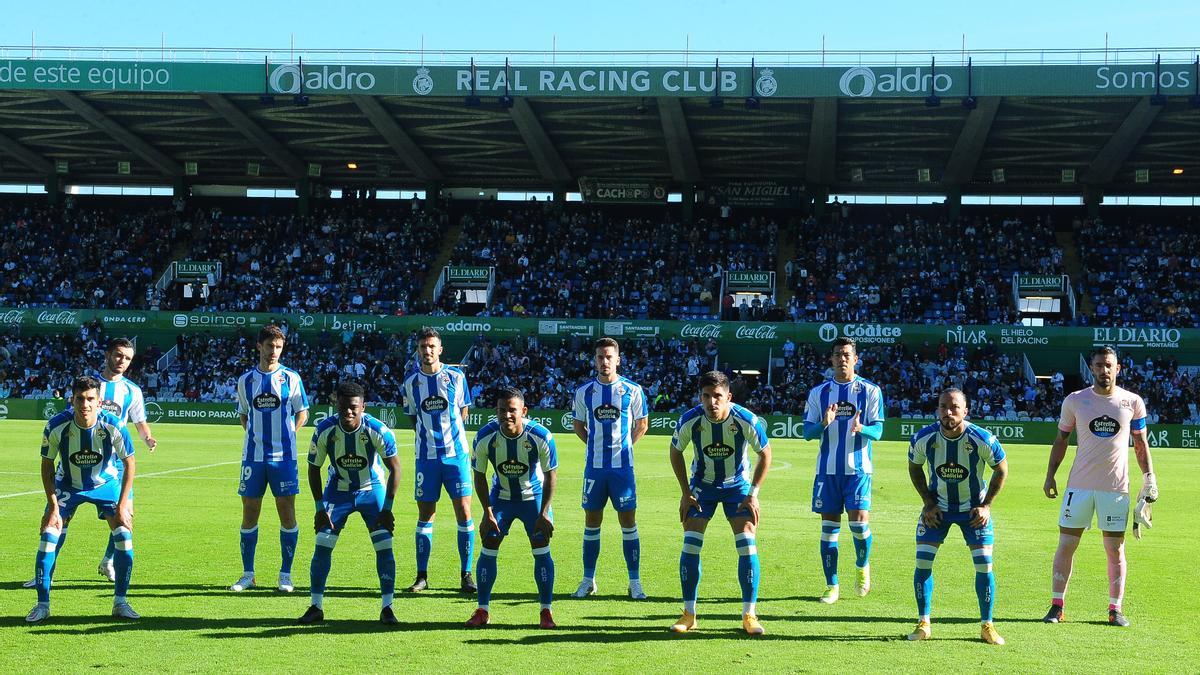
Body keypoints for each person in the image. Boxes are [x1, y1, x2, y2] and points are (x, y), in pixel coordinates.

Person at [23, 337, 158, 588]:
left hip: (114, 464)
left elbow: (139, 423)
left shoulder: (132, 391)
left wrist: (148, 438)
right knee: (59, 519)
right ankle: (45, 574)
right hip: (78, 458)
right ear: (108, 354)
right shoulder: (89, 385)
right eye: (118, 355)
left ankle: (108, 560)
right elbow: (70, 418)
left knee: (126, 515)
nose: (122, 362)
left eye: (127, 358)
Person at [1042, 346, 1157, 627]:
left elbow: (1140, 443)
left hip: (1115, 489)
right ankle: (1057, 607)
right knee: (1066, 544)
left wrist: (1149, 477)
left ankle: (1115, 609)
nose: (1104, 370)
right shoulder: (1075, 401)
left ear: (1118, 369)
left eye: (1109, 365)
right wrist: (1050, 475)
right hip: (1078, 487)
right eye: (1099, 365)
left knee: (1115, 550)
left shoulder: (1132, 402)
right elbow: (1061, 440)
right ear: (1091, 368)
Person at [27, 376, 138, 623]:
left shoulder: (114, 425)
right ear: (72, 400)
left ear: (99, 402)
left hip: (105, 484)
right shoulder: (57, 425)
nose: (85, 404)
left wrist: (122, 505)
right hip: (68, 484)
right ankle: (42, 604)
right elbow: (47, 466)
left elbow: (129, 462)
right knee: (48, 536)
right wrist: (53, 507)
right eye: (80, 399)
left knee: (123, 535)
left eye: (90, 399)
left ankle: (120, 602)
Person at [668, 371, 771, 635]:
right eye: (706, 396)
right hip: (702, 488)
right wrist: (684, 491)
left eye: (717, 396)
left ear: (728, 397)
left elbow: (765, 454)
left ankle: (749, 614)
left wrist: (753, 493)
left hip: (737, 488)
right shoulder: (690, 420)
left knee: (747, 544)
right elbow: (675, 451)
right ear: (700, 397)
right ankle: (689, 614)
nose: (711, 402)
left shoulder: (745, 419)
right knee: (690, 544)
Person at [905, 388, 1009, 645]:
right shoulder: (924, 438)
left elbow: (1001, 469)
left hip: (973, 511)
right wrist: (928, 502)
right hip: (937, 509)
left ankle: (987, 626)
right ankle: (923, 623)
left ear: (966, 411)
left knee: (984, 565)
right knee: (923, 563)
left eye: (954, 407)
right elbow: (914, 467)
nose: (948, 412)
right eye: (943, 406)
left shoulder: (981, 438)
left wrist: (986, 506)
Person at [298, 381, 401, 625]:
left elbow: (395, 469)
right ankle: (316, 606)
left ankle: (387, 607)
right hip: (338, 490)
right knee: (322, 543)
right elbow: (313, 468)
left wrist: (387, 509)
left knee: (384, 546)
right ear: (336, 405)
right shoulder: (325, 430)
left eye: (354, 407)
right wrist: (319, 508)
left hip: (371, 489)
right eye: (343, 407)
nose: (348, 412)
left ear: (363, 406)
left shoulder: (377, 430)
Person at [465, 386, 558, 629]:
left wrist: (545, 511)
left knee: (541, 548)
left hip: (534, 498)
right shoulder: (486, 436)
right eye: (501, 410)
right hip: (501, 497)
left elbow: (551, 476)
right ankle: (482, 610)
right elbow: (479, 475)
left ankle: (546, 611)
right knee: (489, 543)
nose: (506, 415)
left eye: (512, 410)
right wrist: (487, 512)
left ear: (524, 411)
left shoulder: (541, 436)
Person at [803, 336, 885, 603]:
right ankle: (832, 585)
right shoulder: (819, 393)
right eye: (838, 354)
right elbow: (807, 432)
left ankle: (862, 567)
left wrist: (863, 429)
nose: (842, 359)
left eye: (847, 354)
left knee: (859, 525)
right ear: (831, 359)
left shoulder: (871, 391)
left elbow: (879, 430)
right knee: (829, 529)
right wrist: (823, 423)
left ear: (855, 359)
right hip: (827, 471)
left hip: (858, 469)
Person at [230, 325, 309, 593]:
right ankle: (248, 574)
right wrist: (257, 437)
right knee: (249, 512)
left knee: (287, 512)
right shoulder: (246, 381)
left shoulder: (291, 378)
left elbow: (302, 413)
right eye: (270, 346)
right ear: (259, 347)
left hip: (284, 458)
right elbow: (243, 414)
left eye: (278, 347)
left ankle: (285, 575)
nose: (274, 351)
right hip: (253, 457)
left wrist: (290, 435)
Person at [571, 337, 649, 599]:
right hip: (594, 468)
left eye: (609, 357)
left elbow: (642, 424)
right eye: (600, 357)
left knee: (628, 522)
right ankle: (588, 580)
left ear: (618, 359)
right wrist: (595, 445)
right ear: (595, 360)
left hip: (622, 469)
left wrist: (625, 447)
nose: (604, 362)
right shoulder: (584, 392)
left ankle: (634, 582)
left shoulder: (632, 390)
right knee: (592, 522)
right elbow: (578, 426)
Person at [401, 327, 476, 593]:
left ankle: (466, 575)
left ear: (440, 349)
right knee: (425, 514)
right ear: (418, 350)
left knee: (464, 513)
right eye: (423, 347)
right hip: (426, 458)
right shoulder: (410, 383)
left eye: (432, 346)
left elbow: (463, 412)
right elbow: (412, 417)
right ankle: (422, 576)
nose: (427, 351)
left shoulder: (456, 377)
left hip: (456, 456)